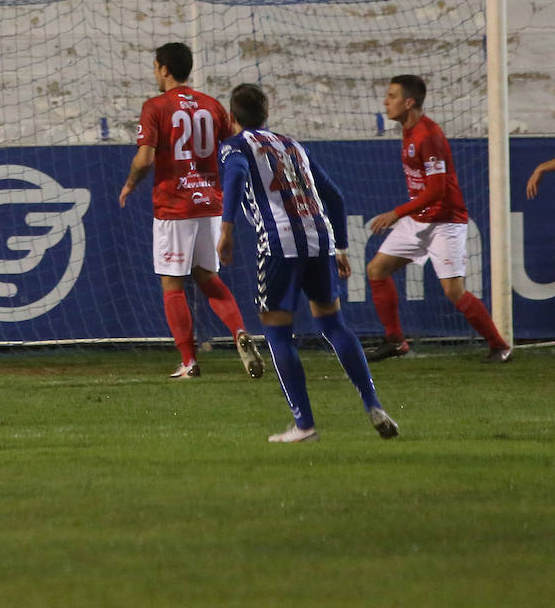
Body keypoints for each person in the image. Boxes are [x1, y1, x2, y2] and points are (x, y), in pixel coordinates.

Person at [217, 83, 400, 443]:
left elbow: (237, 175)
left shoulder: (234, 146)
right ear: (266, 115)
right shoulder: (293, 145)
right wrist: (342, 249)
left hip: (279, 242)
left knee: (277, 331)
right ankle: (373, 403)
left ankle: (304, 425)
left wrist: (226, 230)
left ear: (231, 118)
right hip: (320, 238)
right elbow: (334, 194)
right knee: (333, 325)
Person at [118, 42, 263, 380]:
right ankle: (240, 332)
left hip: (174, 205)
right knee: (208, 279)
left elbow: (145, 158)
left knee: (173, 286)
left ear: (165, 69)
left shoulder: (155, 107)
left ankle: (189, 362)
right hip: (210, 204)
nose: (155, 73)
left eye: (155, 67)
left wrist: (130, 183)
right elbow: (233, 148)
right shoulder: (212, 106)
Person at [364, 75, 511, 364]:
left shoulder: (428, 136)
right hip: (418, 220)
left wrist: (397, 213)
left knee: (453, 290)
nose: (386, 101)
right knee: (376, 269)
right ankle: (395, 341)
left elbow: (438, 190)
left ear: (409, 102)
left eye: (392, 96)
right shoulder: (408, 130)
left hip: (445, 221)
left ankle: (499, 346)